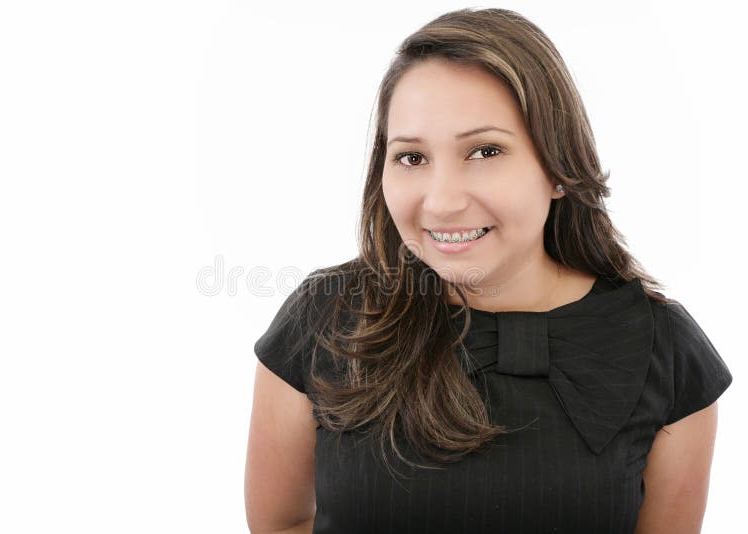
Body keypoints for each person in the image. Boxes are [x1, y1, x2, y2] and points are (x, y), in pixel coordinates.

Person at [244, 7, 733, 533]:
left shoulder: (668, 352)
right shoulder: (323, 318)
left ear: (558, 167)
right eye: (411, 157)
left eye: (484, 150)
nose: (442, 202)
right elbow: (280, 524)